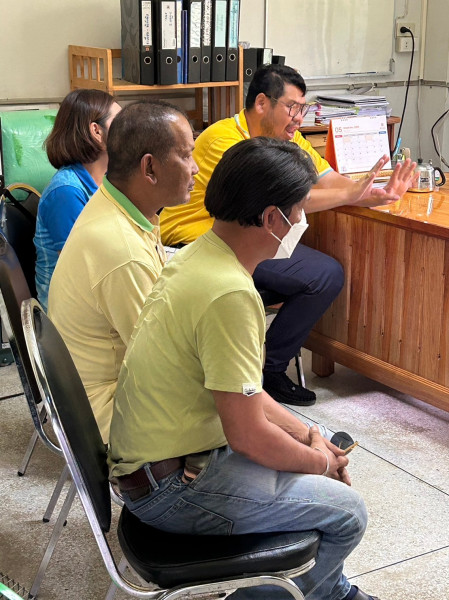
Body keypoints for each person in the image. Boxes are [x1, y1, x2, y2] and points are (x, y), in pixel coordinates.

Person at [109, 138, 380, 600]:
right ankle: (320, 595)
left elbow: (244, 389)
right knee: (348, 512)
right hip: (172, 488)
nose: (302, 222)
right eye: (299, 211)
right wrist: (320, 463)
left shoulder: (198, 255)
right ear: (272, 218)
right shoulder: (230, 294)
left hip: (161, 465)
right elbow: (250, 436)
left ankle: (327, 592)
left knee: (310, 468)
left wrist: (307, 435)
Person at [159, 64, 416, 407]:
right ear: (261, 103)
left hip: (246, 235)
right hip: (198, 239)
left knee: (322, 272)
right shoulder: (226, 139)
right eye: (292, 107)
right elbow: (284, 200)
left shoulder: (288, 139)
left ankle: (264, 363)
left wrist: (376, 192)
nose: (298, 119)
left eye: (303, 109)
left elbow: (329, 180)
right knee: (323, 275)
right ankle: (270, 369)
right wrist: (355, 194)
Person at [48, 100, 198, 443]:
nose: (196, 168)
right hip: (106, 415)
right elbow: (167, 366)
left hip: (108, 389)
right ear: (150, 168)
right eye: (186, 155)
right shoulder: (123, 252)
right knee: (233, 404)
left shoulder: (118, 204)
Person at [34, 88, 121, 311]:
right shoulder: (65, 191)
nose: (128, 129)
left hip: (92, 295)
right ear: (96, 131)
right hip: (65, 312)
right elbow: (80, 271)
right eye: (119, 122)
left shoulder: (108, 180)